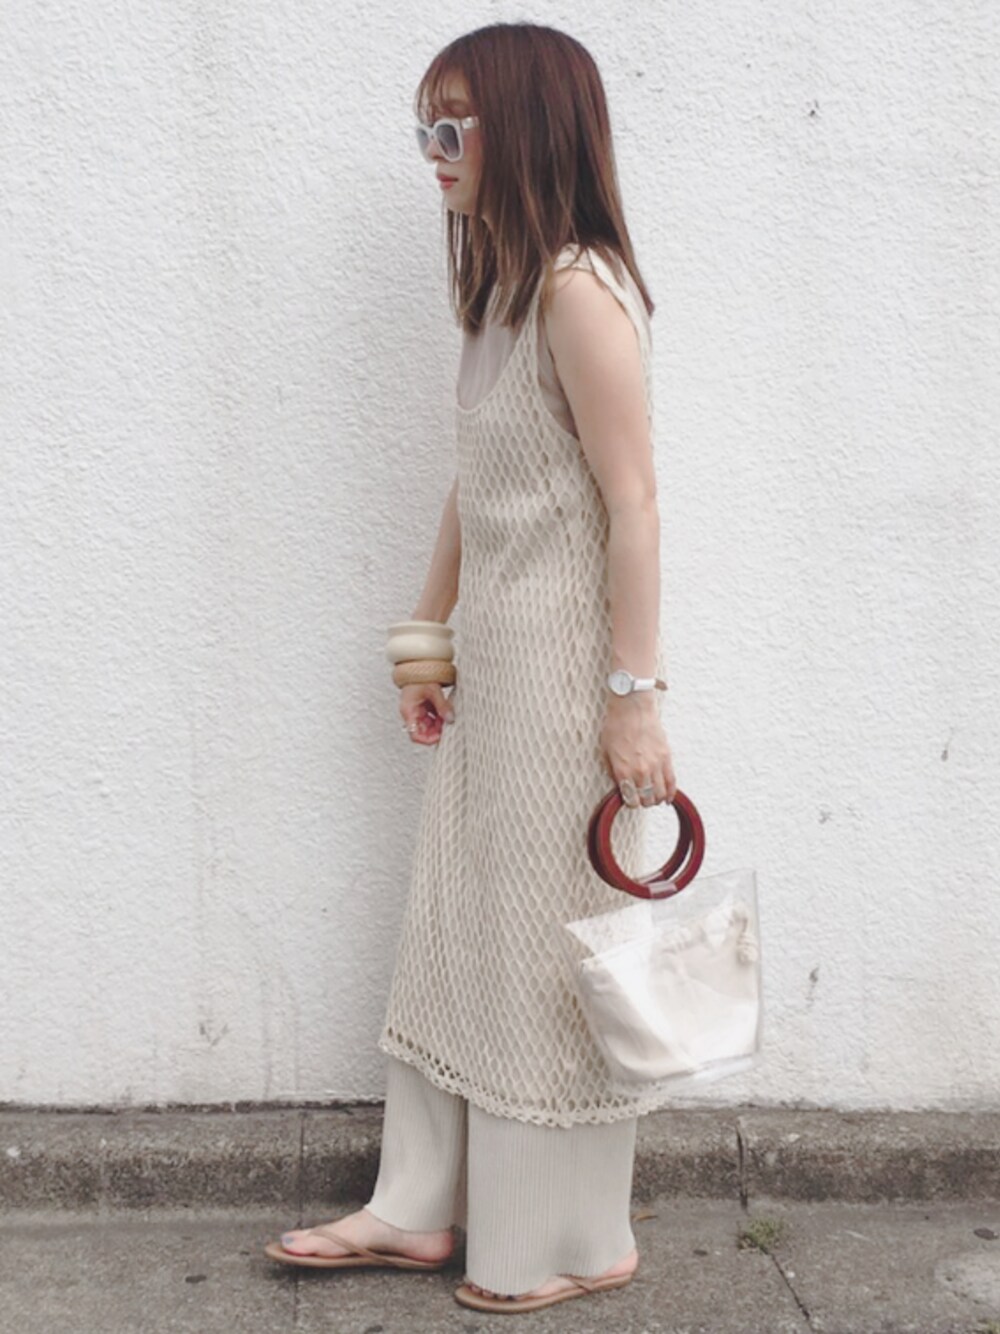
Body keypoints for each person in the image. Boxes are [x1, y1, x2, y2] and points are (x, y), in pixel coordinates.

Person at [265, 21, 678, 1315]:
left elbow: (635, 505)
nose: (434, 153)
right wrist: (424, 639)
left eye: (456, 127)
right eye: (424, 129)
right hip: (499, 666)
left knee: (546, 950)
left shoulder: (578, 291)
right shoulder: (502, 292)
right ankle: (418, 1204)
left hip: (566, 681)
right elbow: (478, 477)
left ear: (532, 128)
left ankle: (569, 1239)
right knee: (457, 927)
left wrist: (634, 701)